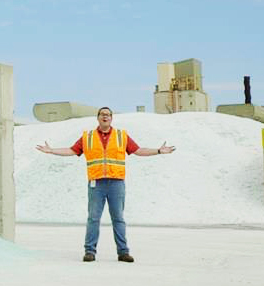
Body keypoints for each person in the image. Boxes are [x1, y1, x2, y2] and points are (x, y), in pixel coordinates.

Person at [35, 107, 175, 262]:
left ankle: (123, 252)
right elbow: (72, 150)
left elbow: (138, 150)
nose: (105, 117)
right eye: (102, 115)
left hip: (116, 184)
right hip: (97, 184)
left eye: (108, 115)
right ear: (98, 118)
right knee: (93, 218)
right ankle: (90, 251)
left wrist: (158, 151)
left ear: (112, 118)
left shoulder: (121, 136)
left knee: (118, 218)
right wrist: (52, 151)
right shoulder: (87, 137)